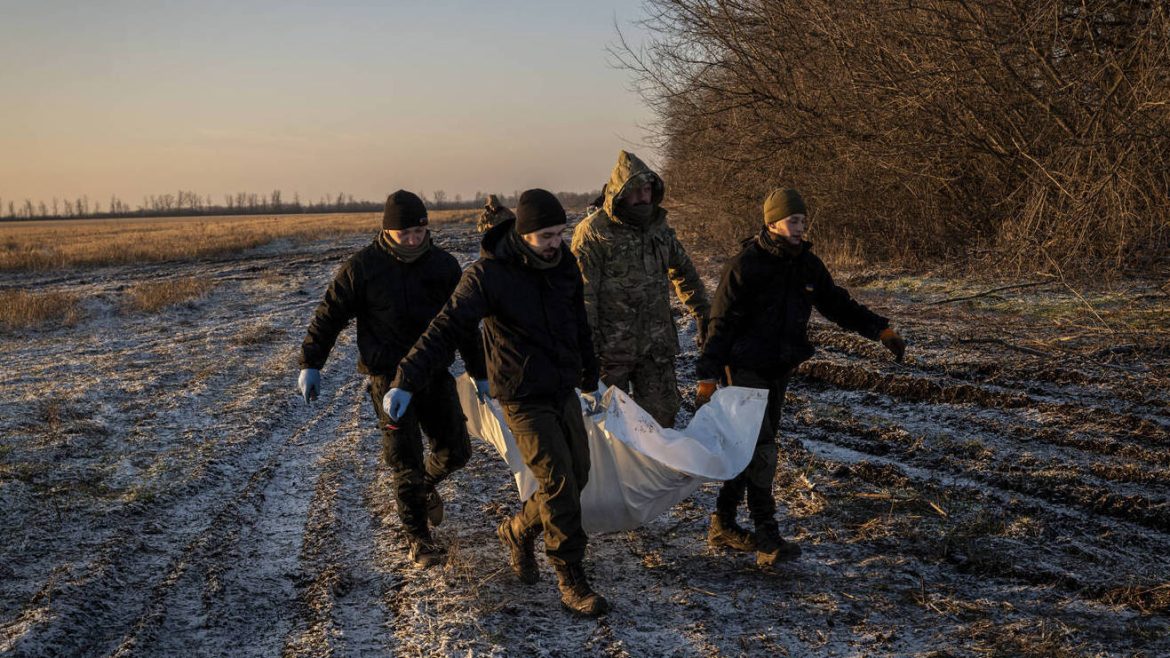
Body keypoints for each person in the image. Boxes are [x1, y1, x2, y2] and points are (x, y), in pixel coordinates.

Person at [384, 189, 610, 617]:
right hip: (522, 394)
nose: (555, 243)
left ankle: (517, 530)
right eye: (546, 235)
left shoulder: (564, 264)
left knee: (577, 476)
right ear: (524, 234)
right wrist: (405, 381)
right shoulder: (489, 275)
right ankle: (571, 578)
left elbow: (578, 323)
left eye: (560, 234)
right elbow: (445, 327)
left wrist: (590, 378)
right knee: (559, 483)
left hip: (560, 387)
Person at [695, 188, 906, 566]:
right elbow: (719, 324)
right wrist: (708, 377)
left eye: (803, 221)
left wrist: (880, 330)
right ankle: (766, 536)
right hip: (743, 370)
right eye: (794, 220)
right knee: (762, 451)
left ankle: (723, 522)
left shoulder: (807, 265)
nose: (800, 227)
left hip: (779, 369)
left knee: (749, 449)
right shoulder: (745, 265)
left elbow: (838, 304)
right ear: (772, 222)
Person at [296, 190, 488, 569]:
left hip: (434, 373)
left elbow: (464, 325)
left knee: (456, 451)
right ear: (387, 232)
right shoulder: (362, 268)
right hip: (387, 378)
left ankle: (424, 489)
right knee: (405, 462)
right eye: (405, 234)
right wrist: (311, 362)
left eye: (420, 232)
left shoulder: (445, 267)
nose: (414, 240)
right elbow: (329, 314)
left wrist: (480, 372)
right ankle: (419, 539)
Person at [571, 150, 711, 428]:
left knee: (660, 421)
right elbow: (582, 296)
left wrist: (703, 312)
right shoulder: (594, 233)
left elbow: (683, 272)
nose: (643, 197)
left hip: (656, 347)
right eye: (635, 190)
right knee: (611, 426)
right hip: (611, 353)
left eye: (647, 189)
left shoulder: (658, 228)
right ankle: (618, 472)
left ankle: (655, 471)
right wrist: (586, 351)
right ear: (619, 192)